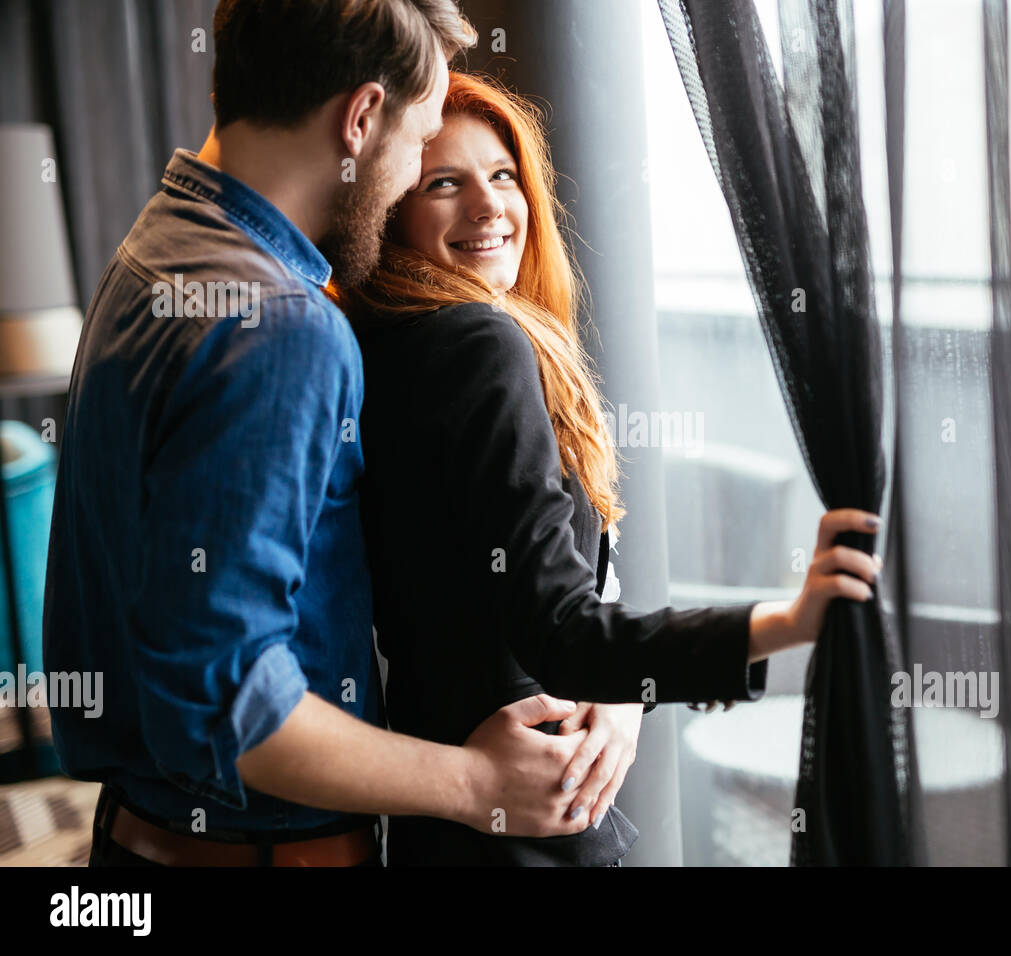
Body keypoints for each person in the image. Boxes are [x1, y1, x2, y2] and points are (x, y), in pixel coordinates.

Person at [43, 0, 606, 868]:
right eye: (421, 144)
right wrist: (477, 783)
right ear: (361, 119)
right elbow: (228, 700)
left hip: (133, 840)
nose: (419, 170)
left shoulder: (158, 245)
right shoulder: (281, 326)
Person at [341, 71, 884, 866]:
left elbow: (539, 592)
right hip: (533, 823)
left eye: (503, 176)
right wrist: (785, 623)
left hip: (450, 836)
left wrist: (618, 698)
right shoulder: (477, 347)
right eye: (445, 185)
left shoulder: (384, 349)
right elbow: (561, 627)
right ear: (390, 215)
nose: (490, 207)